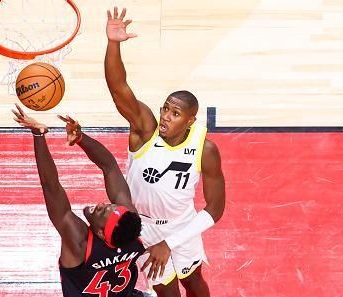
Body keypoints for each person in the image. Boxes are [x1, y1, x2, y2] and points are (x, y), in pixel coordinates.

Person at [97, 7, 226, 297]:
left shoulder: (205, 150)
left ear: (189, 120)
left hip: (183, 226)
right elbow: (118, 88)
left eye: (175, 113)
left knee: (194, 282)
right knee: (167, 292)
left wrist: (171, 242)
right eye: (165, 108)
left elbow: (215, 209)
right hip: (142, 228)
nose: (166, 116)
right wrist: (113, 44)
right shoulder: (145, 132)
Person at [12, 104, 147, 297]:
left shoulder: (79, 242)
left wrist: (39, 135)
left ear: (101, 233)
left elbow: (51, 187)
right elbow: (109, 166)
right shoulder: (128, 224)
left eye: (101, 212)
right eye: (108, 206)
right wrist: (81, 139)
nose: (101, 204)